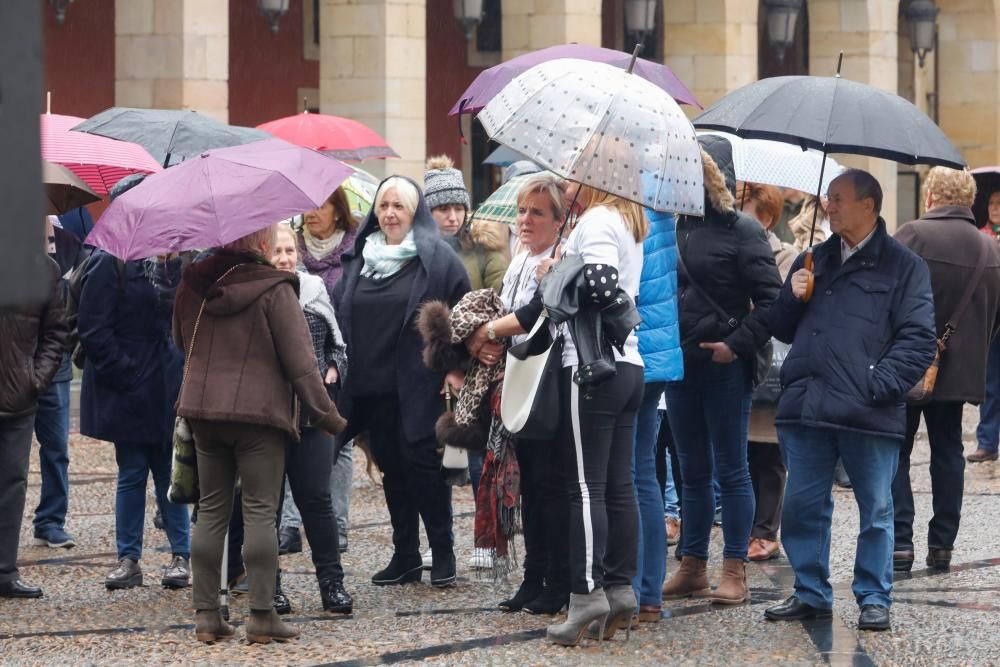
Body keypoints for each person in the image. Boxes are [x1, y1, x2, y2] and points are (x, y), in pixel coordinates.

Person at [466, 182, 647, 646]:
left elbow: (602, 289)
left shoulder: (597, 221)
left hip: (591, 369)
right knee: (618, 486)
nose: (568, 183)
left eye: (575, 171)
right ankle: (620, 586)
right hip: (627, 365)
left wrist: (557, 273)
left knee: (586, 488)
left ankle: (586, 594)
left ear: (596, 175)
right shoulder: (627, 221)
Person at [765, 169, 937, 632]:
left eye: (838, 199)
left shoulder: (905, 266)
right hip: (809, 405)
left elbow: (919, 340)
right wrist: (793, 298)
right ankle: (810, 591)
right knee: (803, 505)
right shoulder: (812, 259)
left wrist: (877, 384)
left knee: (877, 509)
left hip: (868, 409)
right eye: (828, 198)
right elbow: (780, 328)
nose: (828, 206)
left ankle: (874, 596)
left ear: (868, 206)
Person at [173, 224, 347, 644]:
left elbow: (181, 340)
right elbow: (301, 362)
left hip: (204, 411)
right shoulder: (275, 287)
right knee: (259, 512)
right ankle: (262, 615)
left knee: (212, 510)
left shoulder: (193, 282)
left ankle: (206, 616)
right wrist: (329, 417)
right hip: (259, 415)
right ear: (262, 244)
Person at [660, 137, 781, 605]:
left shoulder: (742, 229)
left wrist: (735, 346)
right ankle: (692, 565)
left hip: (725, 366)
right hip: (679, 363)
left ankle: (735, 568)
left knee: (731, 469)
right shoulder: (670, 224)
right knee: (690, 469)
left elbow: (773, 303)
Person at [333, 176, 470, 588]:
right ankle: (406, 555)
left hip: (418, 384)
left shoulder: (439, 260)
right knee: (392, 471)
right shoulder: (359, 259)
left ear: (415, 214)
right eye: (383, 206)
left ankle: (443, 552)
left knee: (424, 469)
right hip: (370, 387)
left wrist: (456, 365)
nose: (389, 213)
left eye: (399, 206)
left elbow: (464, 315)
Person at [78, 178, 191, 590]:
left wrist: (175, 265)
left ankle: (182, 556)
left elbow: (179, 316)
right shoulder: (111, 260)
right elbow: (93, 329)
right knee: (132, 471)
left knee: (170, 469)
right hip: (128, 385)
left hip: (167, 380)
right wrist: (128, 373)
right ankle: (129, 559)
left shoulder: (169, 256)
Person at [891, 167, 1000, 572]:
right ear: (969, 199)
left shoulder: (911, 235)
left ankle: (901, 541)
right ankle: (943, 545)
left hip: (905, 364)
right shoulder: (989, 249)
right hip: (959, 370)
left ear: (931, 195)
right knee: (948, 451)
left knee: (896, 452)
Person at [241, 224, 351, 613]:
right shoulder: (253, 296)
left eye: (290, 250)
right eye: (277, 251)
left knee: (317, 500)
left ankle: (332, 586)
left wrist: (334, 368)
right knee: (266, 507)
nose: (285, 258)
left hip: (311, 413)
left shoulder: (315, 289)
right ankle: (271, 589)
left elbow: (338, 344)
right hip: (269, 417)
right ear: (263, 254)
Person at [485, 173, 571, 614]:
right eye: (522, 210)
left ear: (558, 221)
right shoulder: (519, 257)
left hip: (546, 378)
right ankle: (533, 576)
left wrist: (488, 331)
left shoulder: (557, 258)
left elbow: (536, 318)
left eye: (537, 212)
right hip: (518, 375)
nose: (525, 219)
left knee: (549, 484)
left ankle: (556, 579)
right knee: (531, 486)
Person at [423, 155, 509, 571]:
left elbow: (499, 297)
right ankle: (442, 545)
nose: (452, 216)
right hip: (438, 366)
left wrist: (475, 341)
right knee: (436, 460)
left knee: (479, 456)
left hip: (481, 365)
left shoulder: (485, 248)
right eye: (443, 208)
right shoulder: (420, 250)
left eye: (457, 207)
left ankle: (487, 538)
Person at [282, 186, 359, 555]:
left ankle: (338, 526)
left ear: (338, 210)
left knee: (339, 443)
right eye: (307, 207)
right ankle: (291, 526)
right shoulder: (289, 248)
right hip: (297, 366)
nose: (312, 212)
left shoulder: (355, 251)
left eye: (321, 205)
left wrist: (337, 361)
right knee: (296, 441)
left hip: (341, 358)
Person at [0, 254, 68, 598]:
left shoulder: (44, 269)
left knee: (12, 487)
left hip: (18, 399)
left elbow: (56, 332)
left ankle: (4, 572)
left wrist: (36, 379)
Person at [737, 182, 796, 562]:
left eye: (749, 210)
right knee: (742, 452)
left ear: (768, 218)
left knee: (769, 453)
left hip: (771, 365)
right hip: (742, 359)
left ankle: (765, 531)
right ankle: (746, 527)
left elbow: (783, 307)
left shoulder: (787, 255)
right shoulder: (732, 248)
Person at [633, 205, 683, 622]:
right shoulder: (660, 203)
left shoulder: (629, 204)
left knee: (629, 476)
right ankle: (648, 591)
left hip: (635, 355)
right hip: (658, 352)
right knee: (643, 476)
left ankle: (636, 588)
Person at [31, 219, 83, 549]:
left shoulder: (66, 242)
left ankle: (50, 519)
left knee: (55, 450)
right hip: (14, 366)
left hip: (56, 368)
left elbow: (67, 312)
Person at [970, 188, 1000, 463]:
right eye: (991, 203)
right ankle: (987, 442)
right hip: (993, 321)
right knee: (990, 383)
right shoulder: (981, 238)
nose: (994, 208)